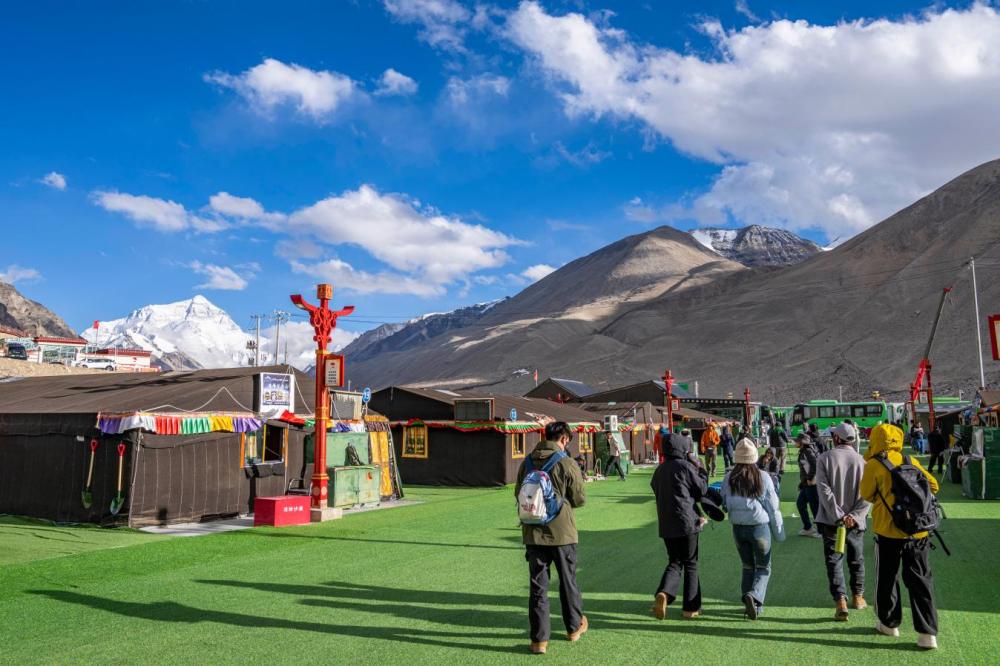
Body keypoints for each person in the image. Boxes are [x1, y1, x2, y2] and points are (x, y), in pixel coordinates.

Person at [860, 424, 940, 650]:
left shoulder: (874, 464)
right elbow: (933, 485)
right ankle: (927, 634)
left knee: (887, 578)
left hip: (888, 531)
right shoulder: (910, 460)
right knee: (921, 581)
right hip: (918, 530)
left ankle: (889, 624)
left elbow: (866, 494)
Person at [515, 421, 588, 655]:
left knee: (538, 587)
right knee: (567, 582)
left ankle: (539, 640)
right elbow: (579, 499)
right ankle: (574, 627)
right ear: (564, 438)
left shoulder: (527, 462)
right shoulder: (565, 462)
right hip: (562, 533)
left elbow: (519, 494)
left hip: (533, 532)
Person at [721, 439, 785, 620]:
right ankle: (755, 597)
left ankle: (749, 601)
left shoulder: (729, 477)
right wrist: (779, 532)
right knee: (764, 566)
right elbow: (773, 506)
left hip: (738, 528)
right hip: (759, 526)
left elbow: (724, 502)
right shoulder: (762, 476)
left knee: (747, 565)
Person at [650, 427, 709, 620]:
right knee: (691, 563)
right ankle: (690, 608)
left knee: (674, 561)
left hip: (667, 524)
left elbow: (655, 488)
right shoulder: (685, 467)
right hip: (687, 522)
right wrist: (701, 470)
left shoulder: (659, 470)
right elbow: (701, 490)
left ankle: (664, 593)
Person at [815, 423, 870, 621]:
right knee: (857, 559)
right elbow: (868, 495)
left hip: (832, 521)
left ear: (837, 438)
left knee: (834, 560)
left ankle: (840, 601)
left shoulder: (824, 458)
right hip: (855, 522)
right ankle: (858, 597)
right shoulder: (863, 461)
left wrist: (838, 515)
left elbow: (824, 490)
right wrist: (853, 516)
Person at [795, 433, 821, 538]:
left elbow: (815, 464)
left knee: (815, 508)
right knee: (800, 504)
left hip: (812, 485)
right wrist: (802, 483)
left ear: (802, 442)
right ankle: (808, 528)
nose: (795, 442)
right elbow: (807, 468)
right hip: (807, 484)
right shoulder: (804, 451)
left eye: (797, 441)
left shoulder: (808, 451)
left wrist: (810, 478)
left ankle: (821, 531)